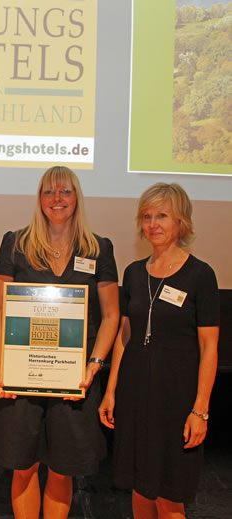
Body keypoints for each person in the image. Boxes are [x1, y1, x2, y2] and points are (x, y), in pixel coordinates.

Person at [0, 166, 120, 519]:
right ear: (39, 198)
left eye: (65, 191)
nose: (57, 199)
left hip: (75, 378)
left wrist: (94, 367)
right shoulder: (16, 243)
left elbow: (111, 316)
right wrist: (2, 365)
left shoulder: (98, 248)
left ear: (76, 197)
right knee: (24, 467)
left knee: (62, 469)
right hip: (22, 376)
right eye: (49, 192)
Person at [98, 183, 220, 519]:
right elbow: (124, 338)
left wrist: (200, 410)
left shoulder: (201, 275)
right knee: (139, 489)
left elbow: (209, 347)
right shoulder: (134, 273)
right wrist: (111, 392)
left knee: (169, 499)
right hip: (135, 394)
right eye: (147, 216)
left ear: (181, 221)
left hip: (177, 399)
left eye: (162, 216)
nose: (153, 224)